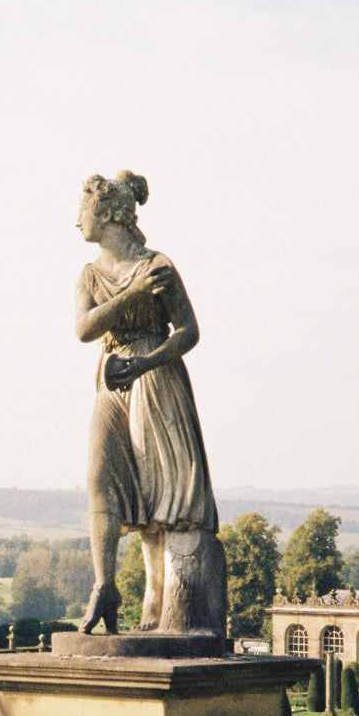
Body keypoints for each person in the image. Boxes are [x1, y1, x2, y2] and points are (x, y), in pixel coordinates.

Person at [74, 170, 225, 637]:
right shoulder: (90, 273)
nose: (76, 220)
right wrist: (133, 296)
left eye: (83, 209)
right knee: (99, 476)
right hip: (111, 378)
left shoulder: (158, 265)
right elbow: (84, 329)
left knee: (165, 499)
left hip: (156, 380)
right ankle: (104, 584)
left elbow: (189, 331)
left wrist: (145, 363)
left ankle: (165, 606)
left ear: (110, 213)